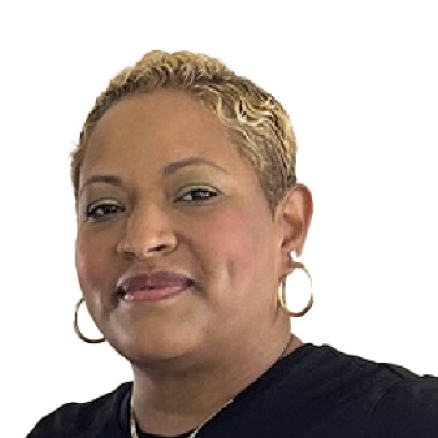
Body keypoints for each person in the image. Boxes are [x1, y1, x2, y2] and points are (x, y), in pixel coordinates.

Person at [27, 50, 438, 438]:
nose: (141, 240)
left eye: (196, 194)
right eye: (104, 208)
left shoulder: (409, 422)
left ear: (289, 226)